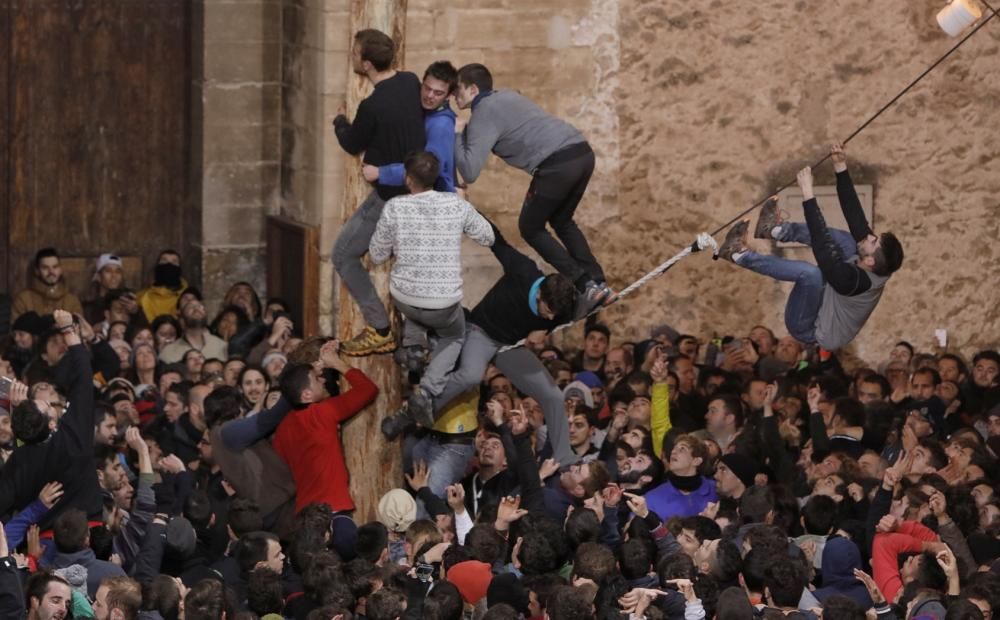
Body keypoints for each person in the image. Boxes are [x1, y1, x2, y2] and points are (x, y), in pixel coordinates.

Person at [382, 223, 580, 468]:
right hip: (482, 333)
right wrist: (468, 213)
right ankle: (411, 414)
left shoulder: (562, 305)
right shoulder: (523, 270)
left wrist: (545, 328)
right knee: (470, 376)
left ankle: (565, 459)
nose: (550, 317)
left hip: (510, 347)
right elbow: (497, 241)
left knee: (552, 395)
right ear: (539, 295)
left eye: (554, 315)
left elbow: (570, 310)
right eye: (547, 312)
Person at [452, 63, 614, 309]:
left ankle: (584, 285)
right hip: (582, 153)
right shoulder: (507, 95)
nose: (454, 96)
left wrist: (456, 133)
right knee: (562, 221)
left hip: (556, 165)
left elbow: (470, 171)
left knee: (530, 227)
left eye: (458, 90)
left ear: (473, 89)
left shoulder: (483, 110)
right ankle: (598, 283)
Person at [718, 143, 904, 351]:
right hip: (826, 300)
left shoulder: (854, 282)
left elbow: (822, 247)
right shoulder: (875, 261)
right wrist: (840, 166)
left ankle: (738, 254)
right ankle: (776, 229)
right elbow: (855, 215)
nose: (869, 236)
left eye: (873, 242)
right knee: (847, 241)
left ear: (869, 261)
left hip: (809, 325)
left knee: (811, 274)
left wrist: (808, 193)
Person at [369, 151, 494, 425]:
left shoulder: (395, 207)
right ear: (435, 178)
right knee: (454, 337)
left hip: (405, 298)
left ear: (407, 177)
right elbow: (488, 235)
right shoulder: (455, 206)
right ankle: (426, 391)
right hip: (442, 304)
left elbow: (377, 255)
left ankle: (414, 346)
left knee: (414, 303)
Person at [331, 28, 425, 356]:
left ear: (368, 64)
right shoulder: (411, 81)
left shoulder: (372, 106)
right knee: (408, 263)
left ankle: (380, 329)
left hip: (388, 198)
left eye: (355, 53)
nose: (352, 57)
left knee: (342, 254)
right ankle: (415, 343)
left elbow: (352, 142)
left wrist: (340, 120)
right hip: (417, 196)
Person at [273, 340, 378, 558]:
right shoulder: (322, 413)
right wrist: (337, 363)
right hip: (335, 511)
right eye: (316, 379)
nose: (323, 381)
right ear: (306, 395)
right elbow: (368, 389)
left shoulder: (281, 430)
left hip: (304, 516)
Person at [365, 60, 460, 193]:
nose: (429, 96)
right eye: (427, 88)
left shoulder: (440, 125)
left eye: (438, 93)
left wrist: (381, 173)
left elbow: (426, 167)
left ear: (449, 95)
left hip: (432, 198)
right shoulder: (425, 110)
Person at [12, 248, 83, 323]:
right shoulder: (23, 300)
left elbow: (78, 329)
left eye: (55, 267)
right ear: (37, 271)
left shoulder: (72, 301)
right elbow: (17, 331)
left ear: (60, 269)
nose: (51, 272)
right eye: (45, 267)